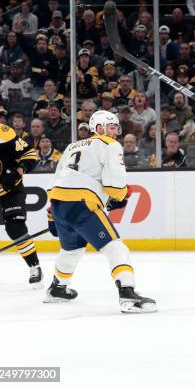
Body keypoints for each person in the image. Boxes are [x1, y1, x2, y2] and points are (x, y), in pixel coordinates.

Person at [45, 110, 156, 313]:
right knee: (115, 247)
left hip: (59, 204)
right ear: (99, 129)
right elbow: (115, 186)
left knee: (72, 249)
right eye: (112, 127)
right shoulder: (109, 144)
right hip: (82, 204)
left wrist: (54, 213)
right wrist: (124, 192)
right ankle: (127, 294)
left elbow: (57, 180)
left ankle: (57, 288)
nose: (115, 132)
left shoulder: (72, 146)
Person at [0, 99, 42, 288]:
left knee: (15, 227)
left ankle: (34, 266)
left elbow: (30, 155)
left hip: (11, 188)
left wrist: (18, 171)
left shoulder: (4, 133)